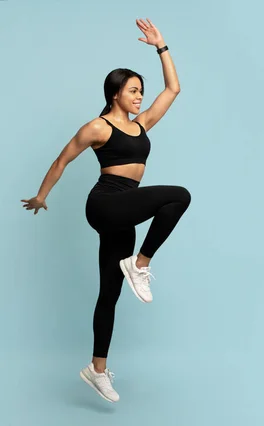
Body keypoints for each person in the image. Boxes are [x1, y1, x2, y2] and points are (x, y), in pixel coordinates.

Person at [20, 18, 191, 403]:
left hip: (124, 209)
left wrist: (161, 47)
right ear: (115, 93)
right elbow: (62, 160)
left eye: (141, 91)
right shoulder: (97, 128)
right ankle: (141, 264)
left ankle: (96, 370)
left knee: (109, 293)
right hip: (105, 204)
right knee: (179, 195)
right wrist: (42, 195)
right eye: (133, 90)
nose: (139, 97)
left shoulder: (142, 125)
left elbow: (174, 89)